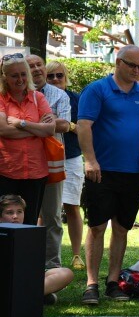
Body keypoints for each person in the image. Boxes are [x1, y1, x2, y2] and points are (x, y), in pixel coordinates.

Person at [77, 45, 139, 305]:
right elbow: (83, 126)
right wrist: (90, 160)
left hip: (132, 171)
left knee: (122, 229)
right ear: (118, 62)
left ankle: (113, 282)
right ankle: (92, 283)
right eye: (132, 65)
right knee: (97, 227)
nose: (137, 71)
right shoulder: (97, 90)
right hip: (101, 170)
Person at [26, 55, 71, 270]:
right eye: (31, 66)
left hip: (51, 161)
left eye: (39, 65)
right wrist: (44, 123)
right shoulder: (15, 94)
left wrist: (25, 124)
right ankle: (24, 263)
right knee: (23, 213)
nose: (36, 69)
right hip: (22, 162)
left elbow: (64, 125)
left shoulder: (59, 94)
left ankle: (52, 267)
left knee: (52, 215)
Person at [0, 53, 55, 225]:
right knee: (4, 224)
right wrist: (37, 128)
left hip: (35, 172)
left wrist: (21, 124)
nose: (20, 79)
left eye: (23, 74)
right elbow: (3, 130)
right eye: (14, 75)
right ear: (5, 77)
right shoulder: (1, 99)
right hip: (6, 171)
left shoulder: (38, 98)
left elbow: (50, 129)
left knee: (30, 224)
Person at [46, 60, 85, 270]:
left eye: (59, 75)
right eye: (50, 76)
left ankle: (77, 254)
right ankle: (43, 251)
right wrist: (67, 125)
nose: (55, 79)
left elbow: (82, 127)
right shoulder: (40, 97)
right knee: (46, 209)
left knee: (72, 206)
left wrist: (65, 124)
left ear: (66, 77)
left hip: (71, 156)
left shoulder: (76, 99)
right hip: (47, 157)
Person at [0, 194, 73, 305]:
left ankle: (25, 295)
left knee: (66, 273)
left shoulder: (30, 234)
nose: (15, 216)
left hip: (24, 279)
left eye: (19, 212)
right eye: (9, 213)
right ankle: (33, 295)